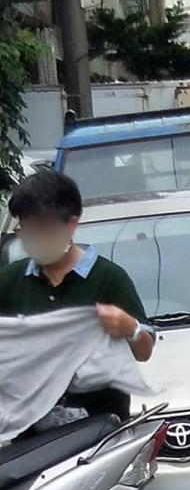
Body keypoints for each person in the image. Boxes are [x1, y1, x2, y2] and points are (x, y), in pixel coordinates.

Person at [0, 170, 155, 421]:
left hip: (100, 433)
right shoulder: (10, 280)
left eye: (43, 227)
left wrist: (130, 328)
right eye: (27, 229)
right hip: (30, 438)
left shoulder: (109, 278)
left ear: (71, 224)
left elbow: (144, 352)